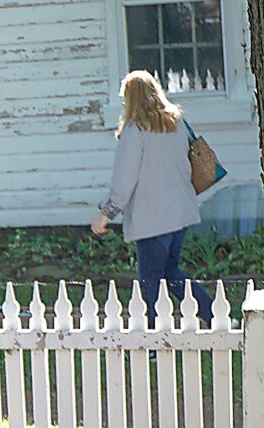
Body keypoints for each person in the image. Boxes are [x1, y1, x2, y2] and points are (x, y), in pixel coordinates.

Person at [90, 70, 214, 326]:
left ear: (130, 99)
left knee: (150, 284)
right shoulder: (176, 124)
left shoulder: (136, 131)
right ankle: (214, 315)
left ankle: (154, 342)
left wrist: (105, 214)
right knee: (170, 273)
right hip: (181, 212)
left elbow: (124, 184)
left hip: (153, 218)